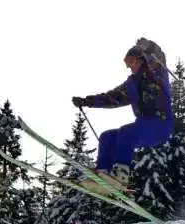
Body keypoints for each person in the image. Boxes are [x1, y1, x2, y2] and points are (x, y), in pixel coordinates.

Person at [72, 38, 173, 192]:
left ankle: (121, 175)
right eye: (127, 62)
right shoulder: (131, 84)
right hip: (142, 126)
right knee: (107, 137)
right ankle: (103, 173)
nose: (129, 66)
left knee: (126, 132)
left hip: (161, 124)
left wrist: (148, 46)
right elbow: (111, 98)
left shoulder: (155, 72)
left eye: (131, 61)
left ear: (142, 59)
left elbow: (159, 55)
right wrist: (87, 101)